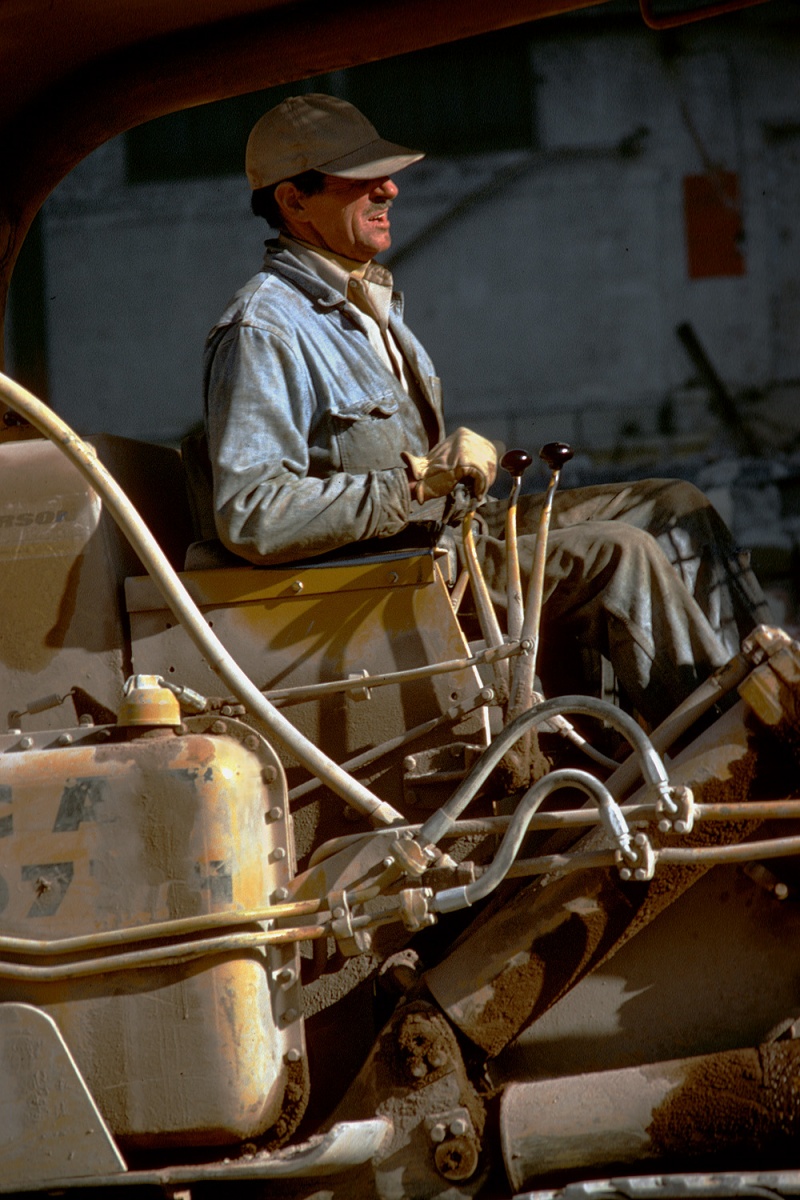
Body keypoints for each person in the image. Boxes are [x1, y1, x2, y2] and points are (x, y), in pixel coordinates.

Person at [203, 93, 772, 727]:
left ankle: (774, 687)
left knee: (675, 508)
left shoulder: (367, 302)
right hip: (399, 577)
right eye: (361, 180)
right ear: (294, 199)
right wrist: (417, 482)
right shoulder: (264, 329)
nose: (389, 188)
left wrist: (435, 483)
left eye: (384, 175)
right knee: (620, 556)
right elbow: (249, 514)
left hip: (453, 536)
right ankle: (732, 748)